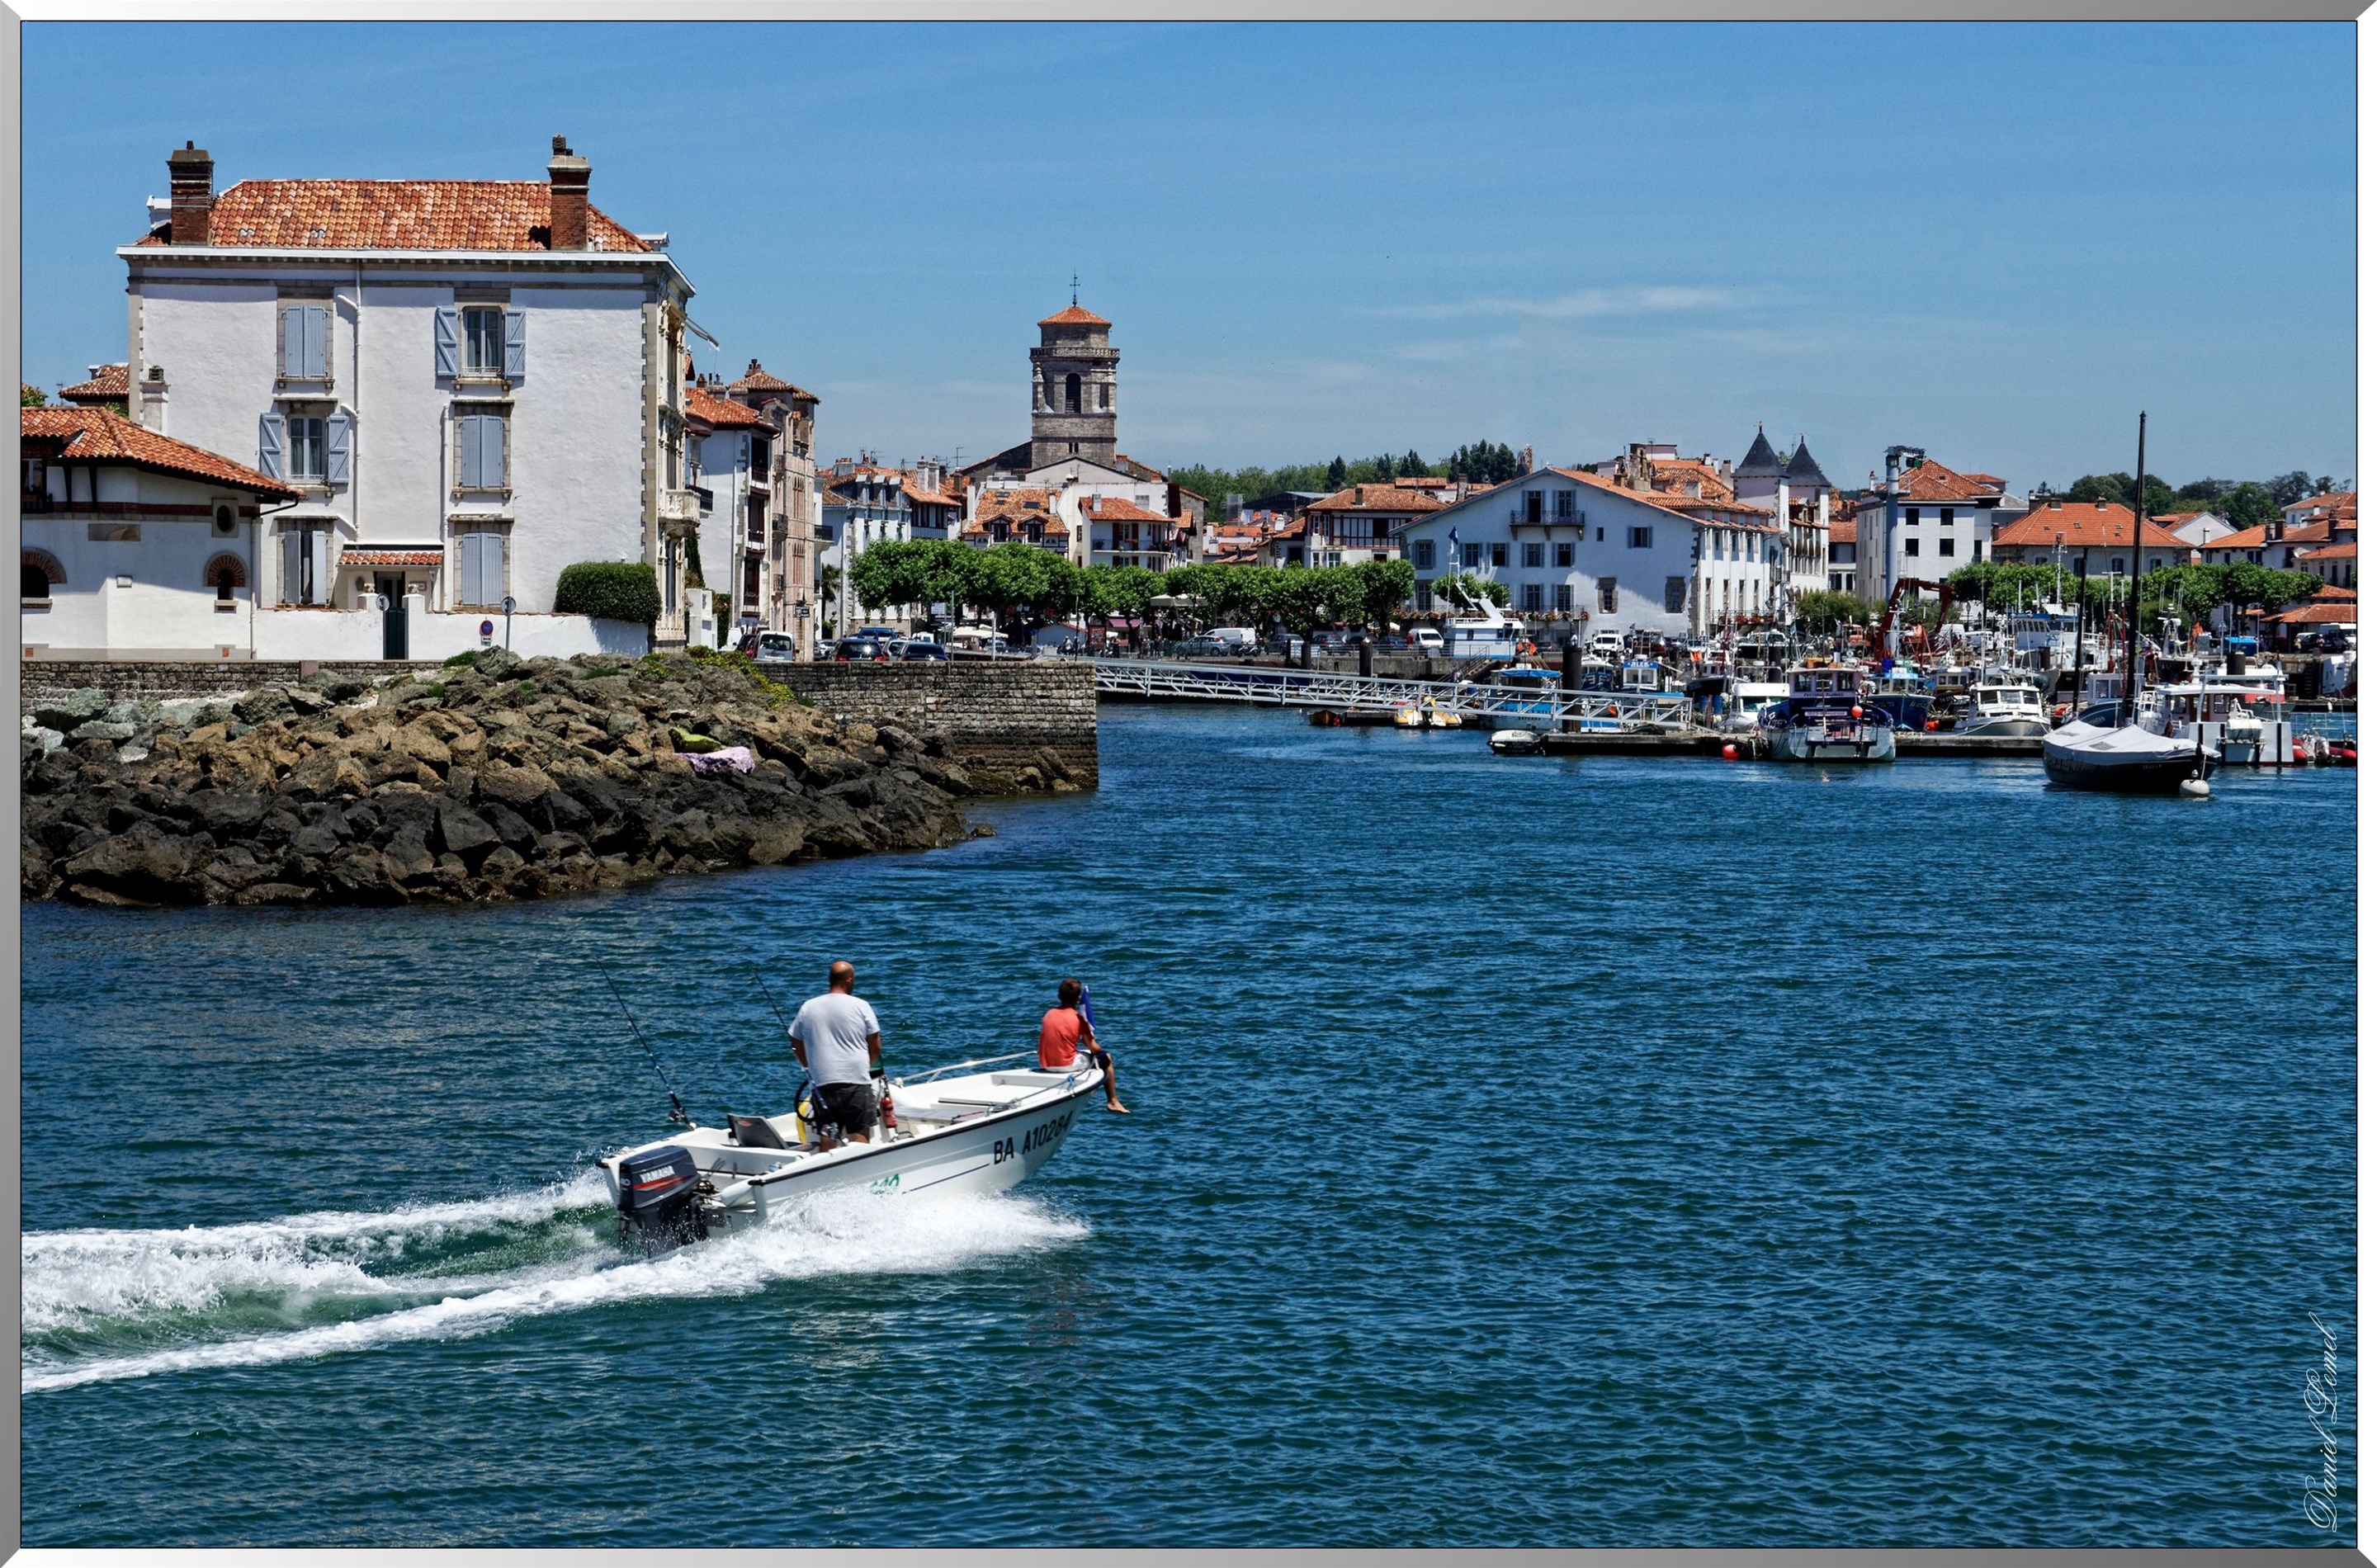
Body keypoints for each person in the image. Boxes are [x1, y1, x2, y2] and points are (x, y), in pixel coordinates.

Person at [792, 961, 883, 1145]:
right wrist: (867, 1066)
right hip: (855, 1082)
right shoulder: (861, 1005)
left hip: (823, 1083)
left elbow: (795, 1041)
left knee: (828, 1134)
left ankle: (826, 1171)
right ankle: (860, 1170)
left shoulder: (808, 1007)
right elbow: (875, 1044)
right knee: (859, 1133)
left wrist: (808, 1065)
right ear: (849, 980)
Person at [1039, 977, 1127, 1114]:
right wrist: (1100, 1049)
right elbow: (1093, 1047)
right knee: (1105, 1058)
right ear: (1079, 999)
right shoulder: (1079, 1019)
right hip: (1065, 1065)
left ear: (1058, 996)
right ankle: (1113, 1101)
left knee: (1084, 1054)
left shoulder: (1049, 1014)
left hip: (1046, 1064)